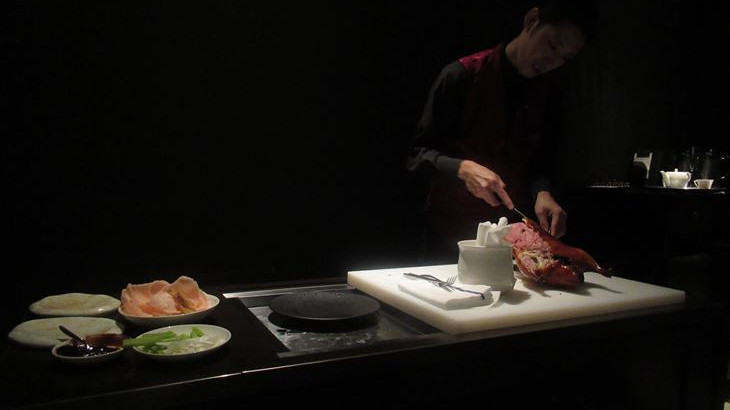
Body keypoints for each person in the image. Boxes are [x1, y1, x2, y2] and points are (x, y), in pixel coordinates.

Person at [407, 0, 597, 262]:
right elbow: (416, 156)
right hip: (447, 238)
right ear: (532, 20)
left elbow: (540, 162)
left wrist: (543, 192)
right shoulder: (462, 75)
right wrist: (462, 168)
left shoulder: (550, 93)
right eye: (552, 45)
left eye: (564, 58)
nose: (553, 61)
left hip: (510, 243)